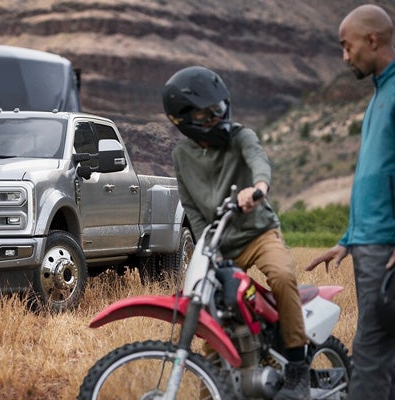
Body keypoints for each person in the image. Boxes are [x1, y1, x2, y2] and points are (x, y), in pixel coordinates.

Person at [162, 66, 310, 399]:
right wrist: (208, 250)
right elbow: (192, 209)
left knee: (282, 276)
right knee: (211, 310)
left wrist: (258, 189)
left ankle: (298, 365)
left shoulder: (242, 135)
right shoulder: (181, 156)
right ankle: (214, 386)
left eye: (218, 109)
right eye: (206, 114)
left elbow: (259, 161)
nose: (217, 118)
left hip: (259, 234)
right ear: (184, 119)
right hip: (220, 246)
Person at [305, 4, 395, 399]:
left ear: (372, 40)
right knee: (382, 351)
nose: (345, 56)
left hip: (385, 247)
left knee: (371, 351)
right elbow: (377, 178)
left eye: (347, 46)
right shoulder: (380, 94)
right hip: (370, 244)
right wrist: (347, 239)